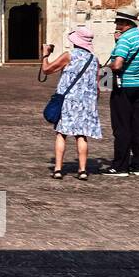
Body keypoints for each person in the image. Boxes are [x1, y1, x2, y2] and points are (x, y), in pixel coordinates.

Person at [41, 26, 101, 180]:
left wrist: (45, 55)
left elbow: (47, 70)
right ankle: (82, 170)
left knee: (61, 134)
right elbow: (98, 85)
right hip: (86, 101)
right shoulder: (94, 59)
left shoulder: (69, 55)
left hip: (68, 101)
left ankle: (58, 169)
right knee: (81, 136)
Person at [105, 7, 139, 177]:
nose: (116, 24)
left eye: (118, 21)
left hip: (123, 86)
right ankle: (138, 165)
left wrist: (104, 68)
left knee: (121, 126)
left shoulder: (124, 39)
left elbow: (117, 65)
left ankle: (120, 166)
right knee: (137, 125)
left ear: (125, 23)